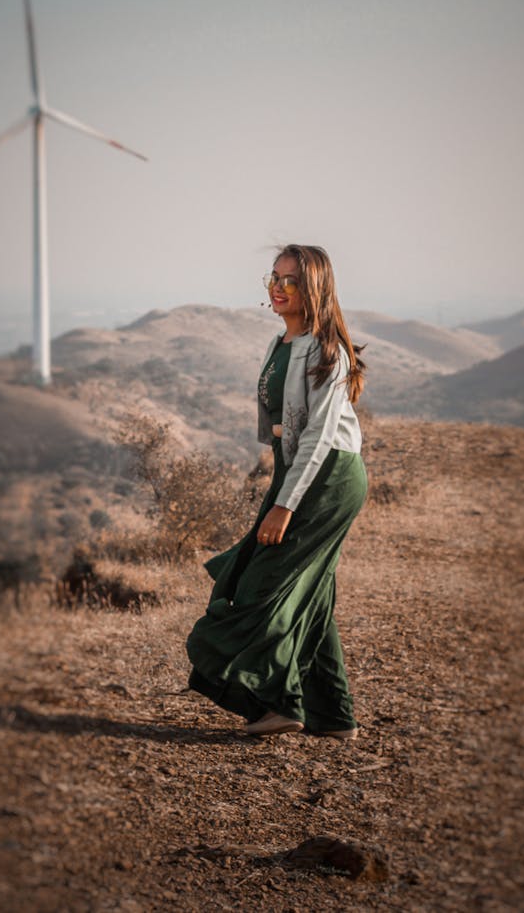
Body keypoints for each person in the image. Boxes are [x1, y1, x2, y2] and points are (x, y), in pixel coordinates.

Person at [186, 244, 367, 739]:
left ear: (315, 290)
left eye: (291, 280)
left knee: (259, 585)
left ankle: (279, 701)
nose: (278, 287)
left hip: (327, 477)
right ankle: (334, 718)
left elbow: (319, 435)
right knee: (313, 592)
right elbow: (281, 427)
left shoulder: (328, 352)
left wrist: (285, 504)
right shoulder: (280, 344)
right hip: (294, 470)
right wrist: (278, 475)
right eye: (274, 276)